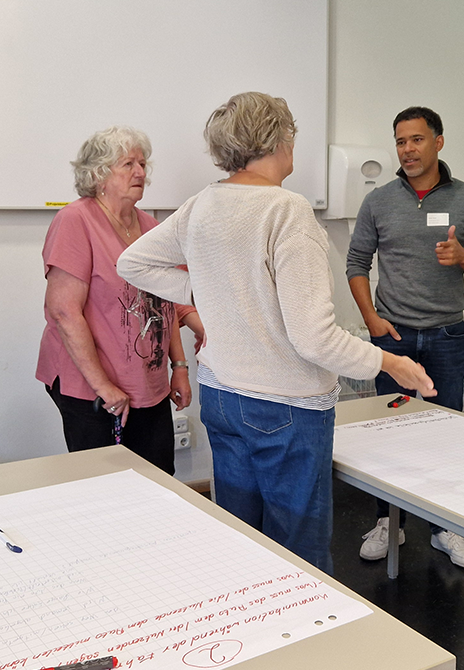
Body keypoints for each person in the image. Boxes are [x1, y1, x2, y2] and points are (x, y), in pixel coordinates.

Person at [117, 92, 435, 572]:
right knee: (298, 553)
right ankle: (306, 639)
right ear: (279, 139)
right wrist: (391, 363)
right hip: (285, 405)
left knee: (240, 541)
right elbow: (315, 339)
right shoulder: (286, 211)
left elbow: (132, 262)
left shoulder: (202, 204)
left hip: (221, 396)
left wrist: (206, 289)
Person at [346, 106, 464, 569]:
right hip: (392, 338)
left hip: (447, 337)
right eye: (400, 141)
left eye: (416, 139)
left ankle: (444, 526)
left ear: (438, 141)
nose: (407, 150)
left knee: (446, 431)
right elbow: (357, 263)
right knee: (387, 434)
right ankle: (388, 522)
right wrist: (371, 319)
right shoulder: (380, 201)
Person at [36, 127, 194, 474]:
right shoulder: (75, 221)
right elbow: (63, 312)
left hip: (147, 384)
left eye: (142, 163)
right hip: (91, 388)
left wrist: (179, 368)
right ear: (99, 174)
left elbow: (167, 305)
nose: (140, 172)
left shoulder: (151, 227)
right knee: (104, 490)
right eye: (127, 164)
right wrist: (104, 387)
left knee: (158, 479)